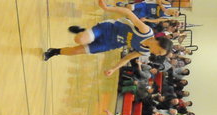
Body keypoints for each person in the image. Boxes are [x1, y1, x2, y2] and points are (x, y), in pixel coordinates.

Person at [44, 1, 172, 77]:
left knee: (76, 51)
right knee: (80, 40)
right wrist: (107, 8)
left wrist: (114, 69)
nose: (156, 54)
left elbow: (127, 58)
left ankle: (54, 51)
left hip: (109, 44)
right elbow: (128, 13)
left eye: (159, 54)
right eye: (159, 51)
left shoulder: (145, 51)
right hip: (108, 29)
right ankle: (83, 32)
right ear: (158, 42)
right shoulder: (146, 31)